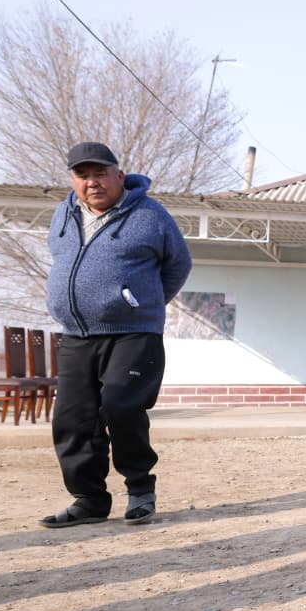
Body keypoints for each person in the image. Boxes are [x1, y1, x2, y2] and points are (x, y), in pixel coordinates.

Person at [39, 141, 192, 529]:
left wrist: (143, 303)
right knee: (73, 420)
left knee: (121, 407)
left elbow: (178, 264)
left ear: (119, 176)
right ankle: (89, 500)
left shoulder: (150, 215)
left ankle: (140, 490)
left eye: (100, 173)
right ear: (73, 180)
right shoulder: (63, 213)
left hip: (133, 333)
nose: (92, 182)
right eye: (82, 175)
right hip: (76, 334)